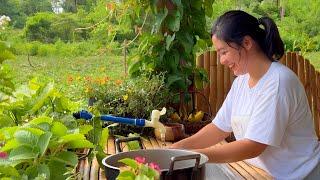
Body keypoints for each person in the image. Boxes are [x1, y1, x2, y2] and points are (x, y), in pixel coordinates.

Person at [170, 10, 320, 180]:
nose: (221, 61)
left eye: (224, 52)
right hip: (263, 175)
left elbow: (253, 146)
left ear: (247, 42)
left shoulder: (278, 82)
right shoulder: (241, 81)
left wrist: (192, 157)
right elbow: (218, 128)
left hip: (303, 175)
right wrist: (178, 148)